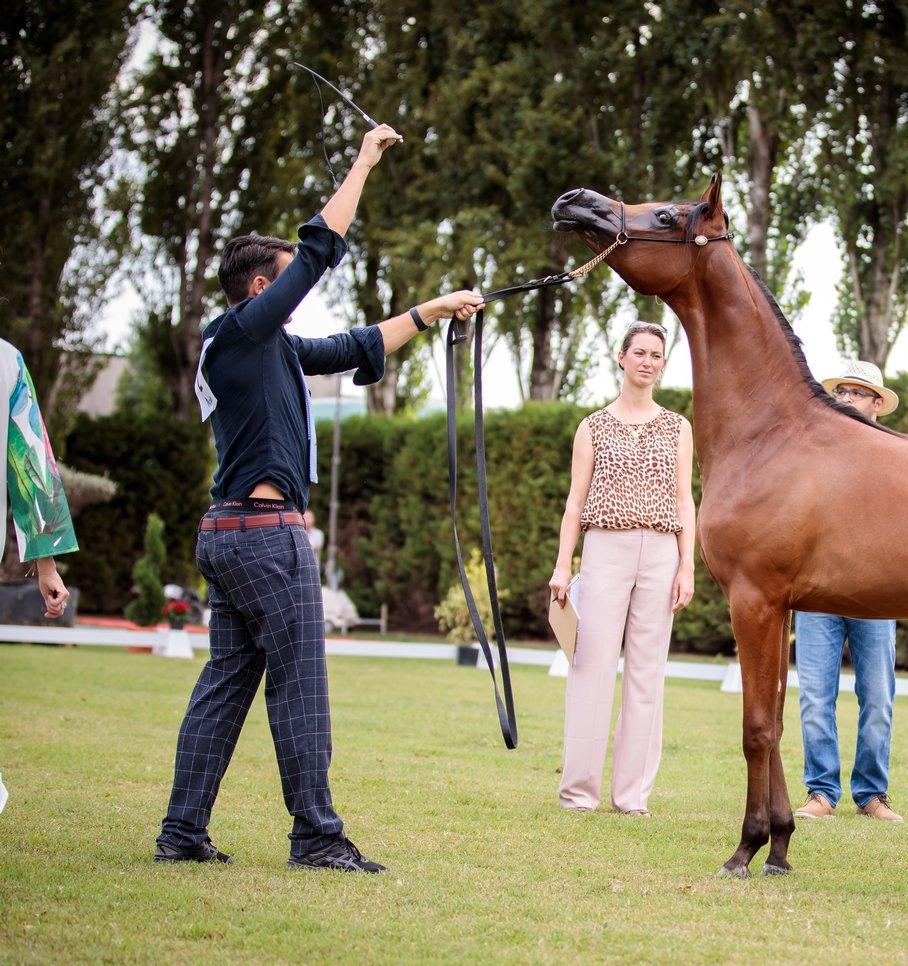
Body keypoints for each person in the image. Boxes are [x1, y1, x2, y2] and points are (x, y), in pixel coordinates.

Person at [155, 123, 485, 872]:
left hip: (232, 533)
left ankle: (182, 833)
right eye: (285, 283)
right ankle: (316, 838)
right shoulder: (239, 335)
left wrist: (431, 311)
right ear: (261, 290)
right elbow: (317, 251)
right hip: (264, 535)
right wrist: (363, 161)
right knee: (299, 686)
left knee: (225, 686)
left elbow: (354, 346)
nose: (298, 293)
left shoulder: (268, 348)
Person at [548, 321, 696, 816]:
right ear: (621, 357)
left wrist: (687, 566)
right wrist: (562, 566)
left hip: (662, 553)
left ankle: (632, 797)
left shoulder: (678, 427)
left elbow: (685, 501)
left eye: (656, 355)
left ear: (663, 364)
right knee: (590, 668)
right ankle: (578, 794)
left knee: (647, 675)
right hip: (605, 550)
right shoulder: (592, 426)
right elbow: (574, 503)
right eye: (639, 352)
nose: (647, 361)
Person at [793, 361, 904, 823]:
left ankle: (871, 795)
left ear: (877, 403)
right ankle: (821, 793)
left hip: (875, 593)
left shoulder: (897, 456)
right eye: (840, 392)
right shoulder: (811, 452)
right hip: (817, 590)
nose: (845, 399)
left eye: (856, 393)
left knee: (877, 699)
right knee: (814, 699)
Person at [1, 338, 75, 618]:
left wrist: (47, 567)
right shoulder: (7, 360)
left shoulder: (9, 361)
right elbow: (32, 465)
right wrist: (47, 566)